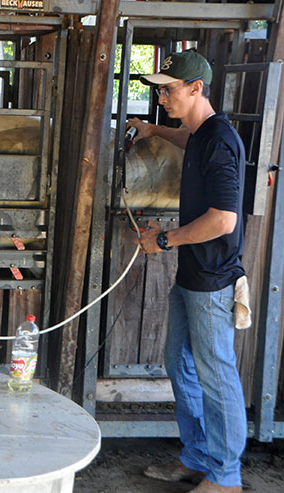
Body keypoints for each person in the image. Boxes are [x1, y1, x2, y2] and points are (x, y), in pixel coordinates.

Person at [127, 50, 247, 493]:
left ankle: (226, 477)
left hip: (213, 279)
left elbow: (223, 220)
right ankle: (200, 458)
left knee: (216, 375)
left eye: (169, 89)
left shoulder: (219, 141)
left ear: (196, 89)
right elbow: (185, 139)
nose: (161, 97)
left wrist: (164, 239)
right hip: (191, 276)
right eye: (159, 89)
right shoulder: (199, 133)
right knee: (179, 364)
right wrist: (156, 130)